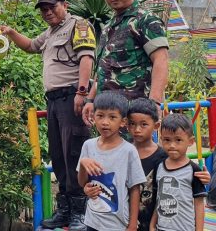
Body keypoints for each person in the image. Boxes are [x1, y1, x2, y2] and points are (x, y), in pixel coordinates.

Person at [0, 0, 96, 230]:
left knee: (74, 153)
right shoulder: (51, 32)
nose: (47, 12)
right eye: (43, 9)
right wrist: (9, 32)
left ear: (65, 5)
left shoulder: (78, 26)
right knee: (58, 155)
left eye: (52, 6)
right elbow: (30, 46)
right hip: (53, 101)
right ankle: (64, 210)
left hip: (72, 97)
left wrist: (82, 93)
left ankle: (80, 212)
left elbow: (87, 58)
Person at [82, 0, 169, 127]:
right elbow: (103, 69)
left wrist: (155, 102)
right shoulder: (108, 26)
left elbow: (161, 60)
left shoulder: (145, 20)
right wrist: (90, 99)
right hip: (108, 115)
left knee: (137, 152)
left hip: (134, 114)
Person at [126, 98, 210, 230]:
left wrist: (202, 176)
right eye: (132, 124)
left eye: (143, 124)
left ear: (156, 126)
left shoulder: (164, 156)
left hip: (162, 224)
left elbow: (182, 168)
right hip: (128, 219)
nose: (137, 129)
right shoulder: (124, 153)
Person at [77, 91, 146, 231]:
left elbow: (134, 189)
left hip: (118, 224)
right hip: (92, 221)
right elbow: (82, 183)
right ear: (93, 117)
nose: (105, 122)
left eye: (112, 117)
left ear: (123, 122)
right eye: (100, 116)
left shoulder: (128, 151)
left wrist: (132, 224)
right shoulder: (88, 146)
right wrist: (83, 165)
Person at [150, 114, 207, 231]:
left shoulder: (193, 169)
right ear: (161, 140)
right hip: (161, 228)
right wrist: (152, 224)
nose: (172, 145)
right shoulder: (159, 166)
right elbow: (159, 199)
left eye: (178, 140)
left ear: (190, 141)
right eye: (167, 140)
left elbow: (199, 203)